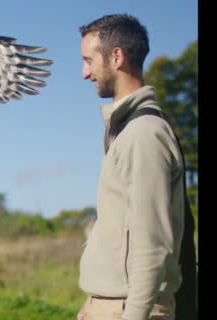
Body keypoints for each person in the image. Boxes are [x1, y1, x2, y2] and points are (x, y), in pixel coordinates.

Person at [76, 14, 189, 320]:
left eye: (89, 60)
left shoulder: (144, 134)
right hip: (113, 306)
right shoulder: (129, 131)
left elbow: (152, 242)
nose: (85, 73)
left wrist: (131, 313)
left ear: (116, 57)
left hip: (130, 308)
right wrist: (93, 305)